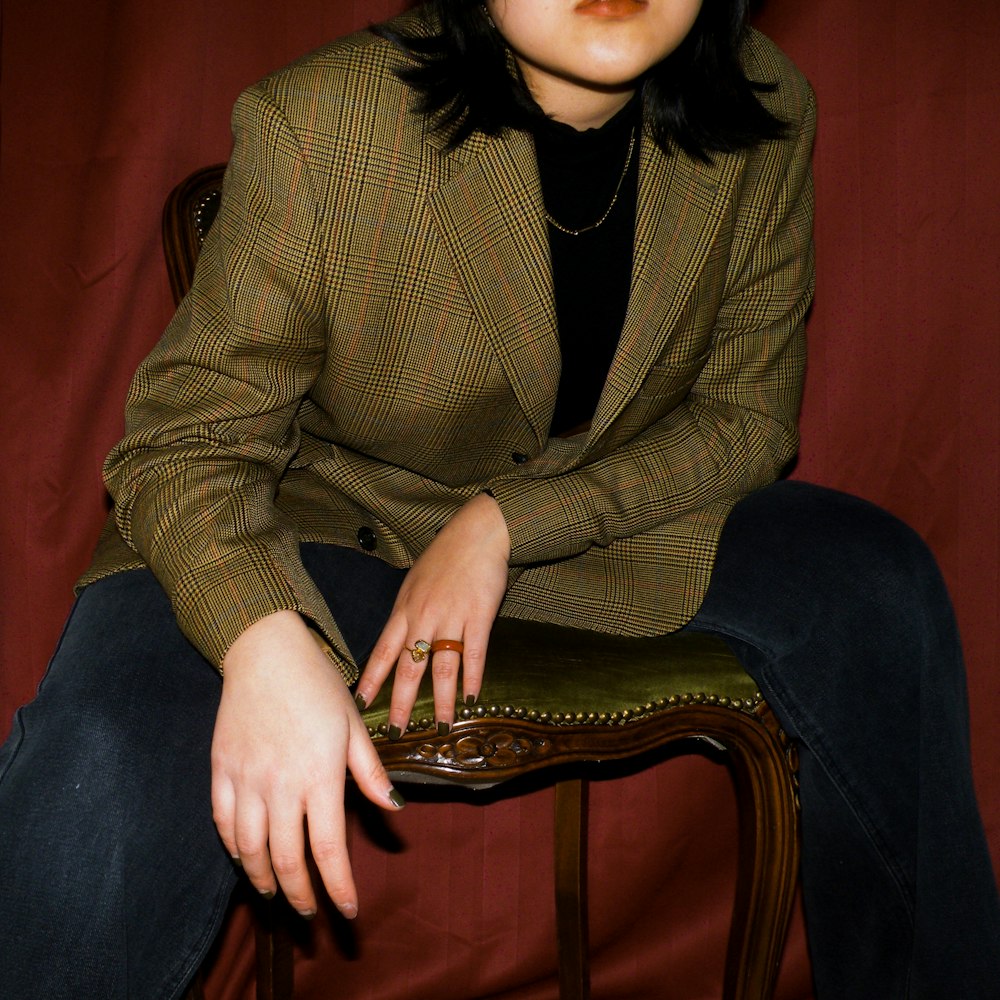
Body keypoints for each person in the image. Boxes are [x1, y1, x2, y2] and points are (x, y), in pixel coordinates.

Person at [1, 1, 997, 997]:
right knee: (105, 759)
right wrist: (260, 638)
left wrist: (504, 524)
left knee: (877, 584)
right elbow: (186, 445)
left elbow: (745, 418)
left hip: (597, 522)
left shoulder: (765, 102)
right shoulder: (323, 122)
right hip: (322, 519)